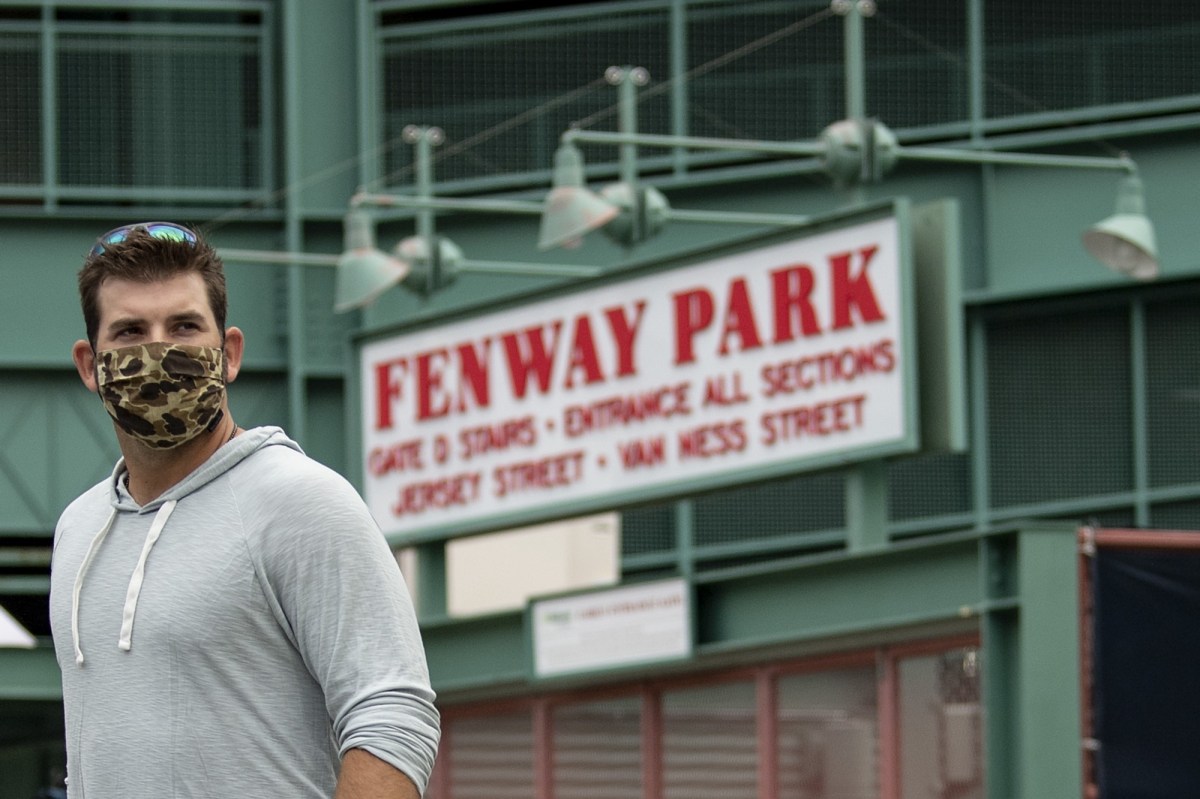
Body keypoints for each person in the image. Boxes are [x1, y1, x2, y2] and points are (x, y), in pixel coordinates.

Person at [49, 222, 440, 798]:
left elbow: (393, 716)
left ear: (229, 353)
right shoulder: (78, 528)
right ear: (90, 366)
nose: (159, 352)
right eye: (130, 332)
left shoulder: (299, 501)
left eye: (184, 327)